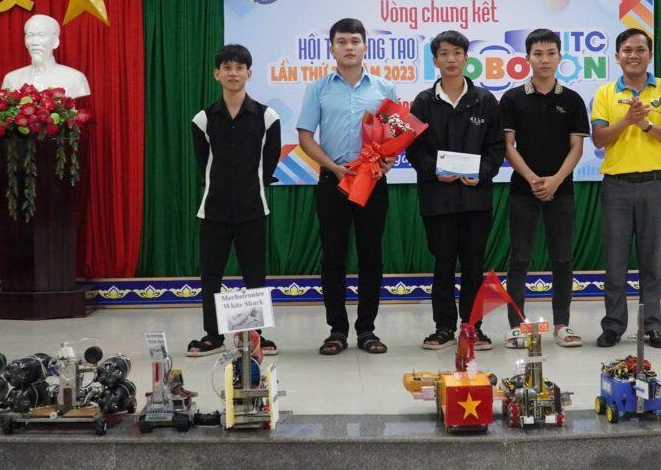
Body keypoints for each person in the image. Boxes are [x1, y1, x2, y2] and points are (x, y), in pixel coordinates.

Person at [297, 18, 397, 356]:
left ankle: (367, 329)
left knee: (371, 256)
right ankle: (336, 330)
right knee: (333, 257)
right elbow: (305, 136)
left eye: (355, 41)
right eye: (342, 42)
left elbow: (395, 136)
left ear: (365, 46)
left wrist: (388, 161)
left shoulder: (384, 87)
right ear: (332, 48)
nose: (349, 47)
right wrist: (334, 168)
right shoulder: (318, 89)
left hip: (372, 182)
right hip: (334, 181)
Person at [406, 30, 505, 351]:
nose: (451, 59)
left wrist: (482, 172)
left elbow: (496, 148)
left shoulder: (484, 100)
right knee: (443, 265)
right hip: (437, 199)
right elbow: (414, 150)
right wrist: (435, 170)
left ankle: (473, 327)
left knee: (474, 266)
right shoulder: (423, 102)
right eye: (444, 54)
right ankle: (444, 327)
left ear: (466, 58)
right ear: (435, 61)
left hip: (476, 198)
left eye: (457, 53)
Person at [590, 28, 661, 349]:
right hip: (616, 187)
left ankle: (651, 326)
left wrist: (646, 125)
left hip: (655, 185)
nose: (634, 55)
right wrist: (628, 120)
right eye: (627, 50)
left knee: (651, 261)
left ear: (650, 55)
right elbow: (599, 138)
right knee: (615, 263)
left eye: (640, 50)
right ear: (617, 57)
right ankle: (613, 326)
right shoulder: (605, 93)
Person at [187, 44, 281, 357]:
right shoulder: (202, 119)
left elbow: (268, 165)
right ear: (217, 74)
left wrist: (248, 189)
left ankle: (254, 337)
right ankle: (212, 336)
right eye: (227, 68)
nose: (233, 73)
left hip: (253, 209)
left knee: (254, 275)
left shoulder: (267, 117)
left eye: (240, 68)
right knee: (210, 275)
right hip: (213, 210)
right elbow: (204, 166)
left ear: (249, 73)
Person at [499, 29, 590, 349]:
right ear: (527, 57)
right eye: (538, 53)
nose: (545, 59)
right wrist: (533, 179)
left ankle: (562, 324)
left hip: (561, 191)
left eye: (551, 53)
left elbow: (577, 148)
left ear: (560, 57)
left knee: (562, 258)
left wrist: (554, 180)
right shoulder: (512, 98)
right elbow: (508, 146)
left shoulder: (572, 99)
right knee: (519, 258)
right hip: (523, 190)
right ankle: (516, 325)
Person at [2, 14, 90, 98]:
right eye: (30, 36)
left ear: (55, 42)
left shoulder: (75, 78)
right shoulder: (11, 79)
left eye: (41, 35)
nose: (34, 42)